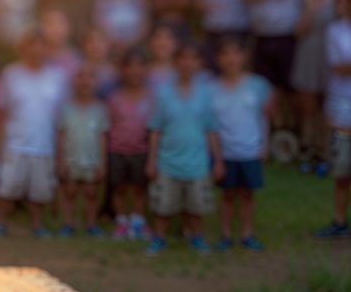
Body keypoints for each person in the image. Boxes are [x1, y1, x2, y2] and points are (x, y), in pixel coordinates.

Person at [146, 42, 223, 254]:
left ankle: (197, 238)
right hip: (168, 161)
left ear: (199, 63)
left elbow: (211, 130)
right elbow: (156, 129)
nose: (188, 63)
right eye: (183, 58)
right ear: (176, 62)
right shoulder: (163, 93)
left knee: (196, 207)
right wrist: (152, 161)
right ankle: (159, 238)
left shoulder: (206, 93)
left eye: (193, 59)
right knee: (163, 206)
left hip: (197, 162)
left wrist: (218, 161)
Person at [0, 29, 68, 238]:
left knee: (40, 190)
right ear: (23, 48)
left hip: (44, 143)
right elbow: (2, 112)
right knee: (8, 187)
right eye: (31, 44)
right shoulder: (10, 74)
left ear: (47, 49)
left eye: (41, 44)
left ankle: (37, 225)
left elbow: (61, 115)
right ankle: (1, 223)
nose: (36, 49)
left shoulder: (57, 76)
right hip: (14, 142)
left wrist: (61, 149)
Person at [210, 39, 273, 250]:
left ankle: (247, 234)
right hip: (225, 150)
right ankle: (226, 235)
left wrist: (265, 144)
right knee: (227, 194)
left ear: (243, 57)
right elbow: (211, 126)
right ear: (218, 59)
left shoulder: (258, 85)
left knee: (248, 194)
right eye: (225, 54)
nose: (231, 59)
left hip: (250, 149)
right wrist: (216, 156)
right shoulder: (212, 89)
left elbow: (264, 118)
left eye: (236, 53)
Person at [292, 0, 344, 174]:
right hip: (309, 53)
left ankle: (325, 153)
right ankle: (307, 151)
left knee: (327, 106)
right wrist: (312, 8)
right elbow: (298, 31)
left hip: (332, 55)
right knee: (308, 107)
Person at [315, 0, 351, 239]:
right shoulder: (335, 30)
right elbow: (339, 67)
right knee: (342, 170)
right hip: (342, 109)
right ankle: (339, 222)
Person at [57, 64, 108, 236]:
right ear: (74, 82)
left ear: (95, 83)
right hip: (71, 159)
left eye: (89, 77)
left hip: (91, 160)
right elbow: (61, 136)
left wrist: (102, 163)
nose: (84, 82)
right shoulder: (66, 108)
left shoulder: (100, 109)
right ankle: (68, 224)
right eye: (80, 77)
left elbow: (102, 138)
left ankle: (91, 225)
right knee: (69, 193)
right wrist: (60, 162)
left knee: (91, 193)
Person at [107, 49, 152, 240]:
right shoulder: (114, 98)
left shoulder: (151, 97)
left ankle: (138, 221)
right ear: (122, 70)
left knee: (140, 188)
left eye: (139, 66)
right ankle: (122, 221)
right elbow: (108, 126)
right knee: (119, 188)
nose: (134, 71)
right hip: (117, 150)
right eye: (130, 66)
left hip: (141, 150)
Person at [42, 8, 81, 81]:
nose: (55, 29)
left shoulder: (78, 59)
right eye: (50, 23)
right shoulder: (38, 58)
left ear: (69, 27)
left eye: (60, 23)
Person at [81, 28, 119, 99]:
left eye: (100, 41)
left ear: (107, 44)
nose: (95, 45)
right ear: (84, 45)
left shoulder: (114, 72)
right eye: (91, 41)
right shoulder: (78, 70)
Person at [146, 24, 178, 93]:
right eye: (158, 37)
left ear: (176, 43)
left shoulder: (183, 72)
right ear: (149, 43)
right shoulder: (141, 72)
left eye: (168, 38)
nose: (163, 43)